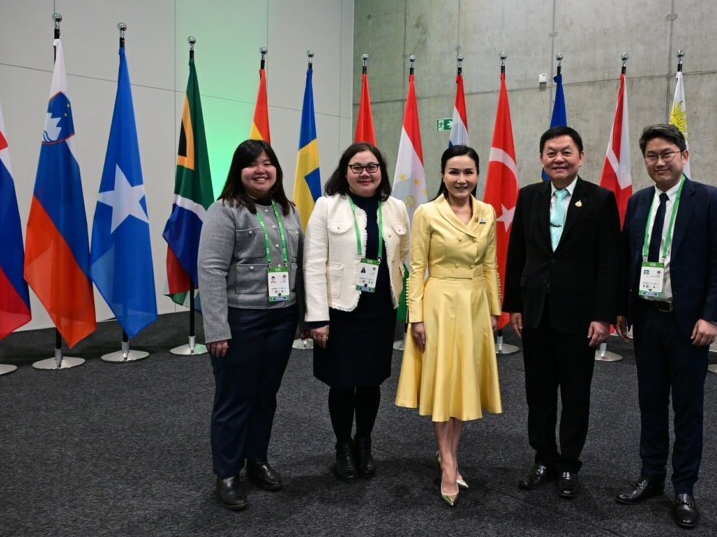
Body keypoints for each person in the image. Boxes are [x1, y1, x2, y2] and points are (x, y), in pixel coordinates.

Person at [614, 123, 717, 529]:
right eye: (652, 155)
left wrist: (712, 316)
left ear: (684, 155)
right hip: (647, 320)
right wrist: (623, 308)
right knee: (650, 403)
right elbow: (628, 258)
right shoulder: (638, 202)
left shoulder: (709, 199)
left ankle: (684, 488)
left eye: (667, 154)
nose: (659, 161)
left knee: (687, 408)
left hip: (689, 324)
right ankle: (651, 476)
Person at [503, 125, 621, 499]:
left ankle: (569, 463)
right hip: (535, 313)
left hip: (579, 317)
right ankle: (543, 457)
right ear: (542, 158)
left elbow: (609, 262)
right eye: (551, 152)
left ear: (581, 157)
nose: (559, 159)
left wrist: (603, 315)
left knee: (575, 393)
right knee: (538, 392)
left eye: (566, 152)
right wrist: (514, 305)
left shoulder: (600, 199)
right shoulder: (529, 196)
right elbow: (518, 253)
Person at [199, 139, 306, 511]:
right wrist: (217, 329)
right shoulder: (224, 210)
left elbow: (300, 266)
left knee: (265, 394)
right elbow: (211, 271)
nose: (261, 170)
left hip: (281, 317)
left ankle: (256, 459)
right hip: (241, 319)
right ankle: (227, 472)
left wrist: (304, 317)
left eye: (267, 163)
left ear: (276, 169)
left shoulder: (288, 210)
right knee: (235, 397)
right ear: (239, 171)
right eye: (252, 164)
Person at [395, 145, 502, 507]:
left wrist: (494, 310)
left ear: (477, 175)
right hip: (438, 303)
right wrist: (415, 316)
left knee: (463, 384)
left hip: (475, 305)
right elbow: (417, 268)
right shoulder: (427, 213)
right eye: (454, 172)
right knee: (444, 384)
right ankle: (449, 465)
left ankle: (449, 454)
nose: (461, 179)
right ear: (442, 175)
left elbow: (490, 265)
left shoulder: (487, 212)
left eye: (468, 172)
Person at [304, 143, 410, 482]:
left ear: (381, 171)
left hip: (380, 312)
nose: (365, 173)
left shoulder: (395, 208)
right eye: (357, 167)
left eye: (372, 167)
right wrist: (317, 317)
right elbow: (313, 263)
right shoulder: (327, 206)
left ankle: (364, 444)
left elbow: (403, 257)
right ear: (345, 171)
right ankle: (343, 447)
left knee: (370, 382)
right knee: (342, 382)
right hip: (340, 312)